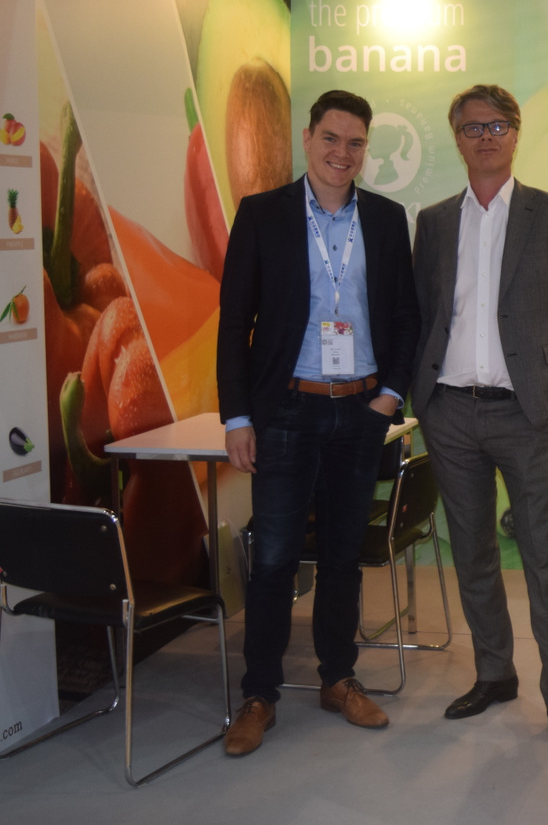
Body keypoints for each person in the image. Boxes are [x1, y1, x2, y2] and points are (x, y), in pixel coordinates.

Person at [216, 89, 420, 756]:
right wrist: (238, 416)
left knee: (341, 556)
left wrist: (388, 397)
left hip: (359, 411)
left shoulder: (386, 219)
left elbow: (405, 317)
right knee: (275, 557)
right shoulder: (262, 214)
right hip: (285, 410)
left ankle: (338, 678)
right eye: (331, 138)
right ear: (308, 139)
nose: (342, 152)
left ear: (366, 149)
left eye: (355, 142)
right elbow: (233, 323)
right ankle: (259, 694)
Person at [410, 84, 548, 754]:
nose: (485, 136)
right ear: (457, 138)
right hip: (449, 413)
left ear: (516, 134)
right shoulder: (434, 222)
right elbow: (421, 314)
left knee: (546, 558)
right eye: (472, 127)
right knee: (472, 554)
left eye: (497, 125)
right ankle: (494, 674)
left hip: (526, 414)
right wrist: (421, 399)